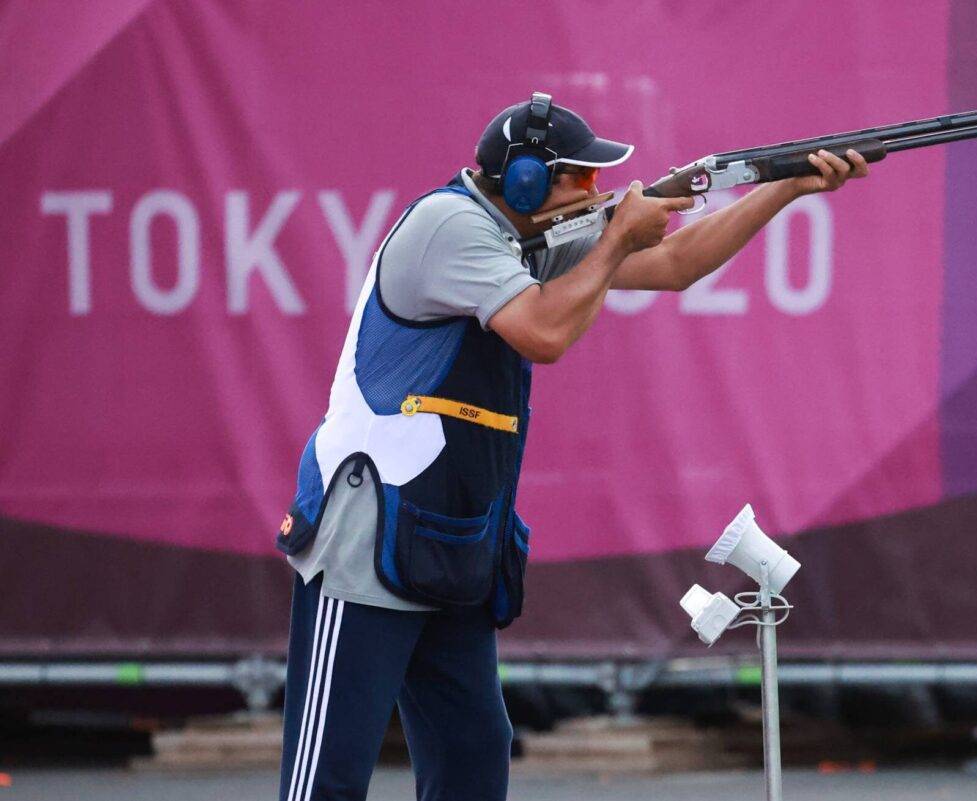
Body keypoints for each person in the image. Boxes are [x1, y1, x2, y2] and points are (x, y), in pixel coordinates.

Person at [274, 92, 869, 801]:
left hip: (447, 539)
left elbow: (675, 262)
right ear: (524, 181)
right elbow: (544, 334)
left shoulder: (519, 237)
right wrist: (617, 237)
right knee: (327, 778)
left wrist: (784, 187)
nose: (598, 192)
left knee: (472, 753)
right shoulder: (451, 226)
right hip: (367, 539)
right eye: (580, 179)